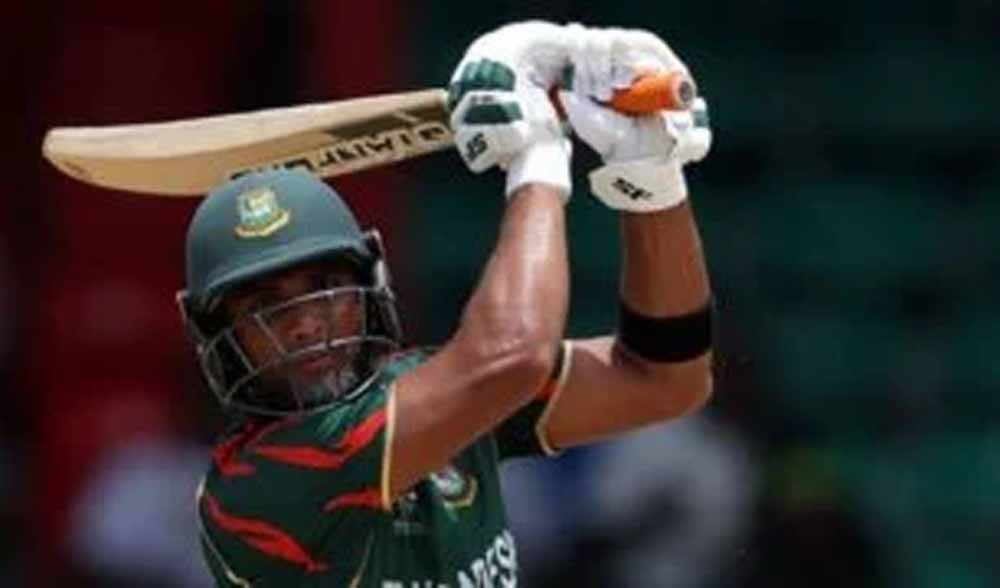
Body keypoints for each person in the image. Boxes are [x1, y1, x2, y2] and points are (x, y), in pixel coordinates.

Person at [178, 21, 715, 587]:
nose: (307, 324)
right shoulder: (259, 484)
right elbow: (514, 356)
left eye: (325, 288)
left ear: (369, 286)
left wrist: (653, 182)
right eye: (265, 307)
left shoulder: (438, 388)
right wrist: (536, 155)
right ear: (219, 337)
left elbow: (666, 382)